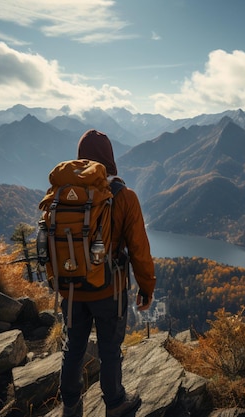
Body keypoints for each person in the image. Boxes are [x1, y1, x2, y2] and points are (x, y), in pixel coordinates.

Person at [60, 129, 156, 417]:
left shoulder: (65, 193)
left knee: (73, 345)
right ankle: (115, 403)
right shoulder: (124, 196)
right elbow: (139, 249)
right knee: (110, 349)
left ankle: (70, 404)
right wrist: (146, 287)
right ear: (110, 158)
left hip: (72, 287)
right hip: (108, 290)